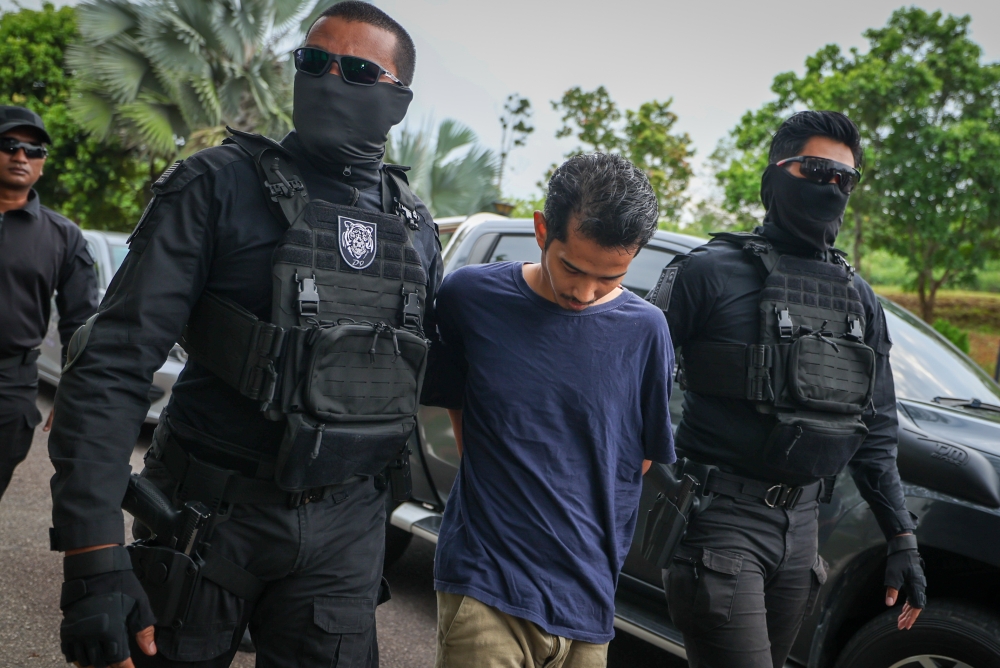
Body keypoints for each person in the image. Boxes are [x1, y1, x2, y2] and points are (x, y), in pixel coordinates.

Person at [47, 3, 442, 667]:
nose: (328, 78)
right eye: (313, 62)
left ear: (397, 100)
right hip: (207, 518)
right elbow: (111, 366)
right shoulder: (215, 186)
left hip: (345, 533)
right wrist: (93, 561)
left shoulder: (415, 227)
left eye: (356, 70)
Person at [651, 111, 926, 668]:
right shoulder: (705, 272)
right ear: (774, 176)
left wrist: (903, 538)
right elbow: (627, 387)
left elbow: (876, 431)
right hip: (720, 522)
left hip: (803, 531)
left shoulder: (861, 300)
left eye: (844, 179)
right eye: (816, 170)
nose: (831, 187)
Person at [422, 153, 676, 668]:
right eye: (573, 268)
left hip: (589, 601)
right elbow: (461, 412)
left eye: (608, 279)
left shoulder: (647, 331)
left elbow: (636, 459)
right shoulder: (470, 297)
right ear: (542, 230)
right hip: (487, 585)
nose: (585, 293)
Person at [0, 105, 98, 502]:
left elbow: (81, 321)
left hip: (9, 391)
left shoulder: (64, 237)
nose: (21, 156)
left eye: (34, 150)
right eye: (9, 144)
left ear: (42, 162)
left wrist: (72, 391)